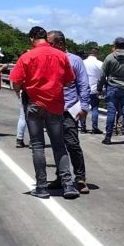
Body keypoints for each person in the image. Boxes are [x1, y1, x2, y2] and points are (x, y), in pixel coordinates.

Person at [9, 26, 78, 199]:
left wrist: (20, 91)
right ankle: (68, 185)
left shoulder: (27, 56)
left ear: (32, 38)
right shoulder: (61, 55)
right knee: (59, 145)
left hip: (34, 104)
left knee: (37, 146)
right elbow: (69, 80)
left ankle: (41, 187)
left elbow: (15, 81)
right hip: (55, 105)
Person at [49, 31, 90, 194]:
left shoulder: (75, 60)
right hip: (52, 109)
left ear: (60, 43)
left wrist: (84, 106)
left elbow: (83, 84)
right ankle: (61, 176)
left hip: (69, 109)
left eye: (50, 44)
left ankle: (80, 178)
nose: (48, 46)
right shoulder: (49, 58)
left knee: (72, 144)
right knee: (57, 145)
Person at [98, 37, 124, 145]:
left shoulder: (109, 57)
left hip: (112, 87)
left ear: (115, 45)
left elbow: (102, 75)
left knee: (111, 112)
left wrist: (99, 88)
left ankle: (108, 137)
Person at [82, 47, 103, 134]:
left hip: (83, 88)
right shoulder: (100, 63)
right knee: (95, 108)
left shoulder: (82, 62)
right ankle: (95, 127)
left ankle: (82, 127)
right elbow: (103, 77)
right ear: (97, 54)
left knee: (84, 108)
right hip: (94, 88)